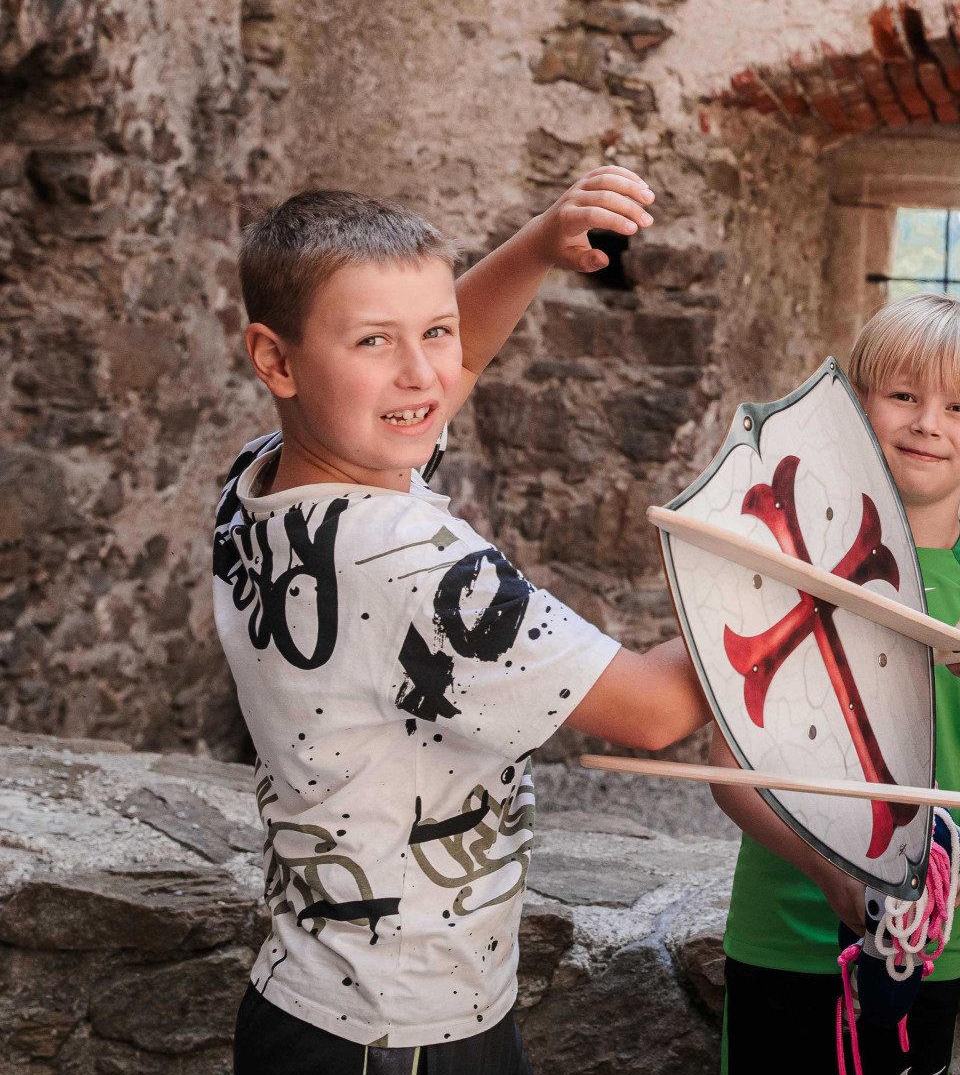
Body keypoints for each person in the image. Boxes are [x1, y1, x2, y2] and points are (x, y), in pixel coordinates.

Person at [214, 172, 714, 1073]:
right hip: (401, 1038)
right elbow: (658, 711)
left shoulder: (263, 481)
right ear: (276, 359)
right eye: (374, 341)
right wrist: (822, 580)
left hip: (303, 1002)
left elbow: (443, 379)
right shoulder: (412, 561)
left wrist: (536, 245)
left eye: (434, 331)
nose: (422, 374)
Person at [709, 292, 960, 1075]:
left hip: (923, 949)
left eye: (959, 406)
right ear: (856, 407)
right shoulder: (782, 562)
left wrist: (939, 869)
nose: (927, 422)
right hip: (779, 937)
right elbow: (731, 774)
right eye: (901, 395)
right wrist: (839, 881)